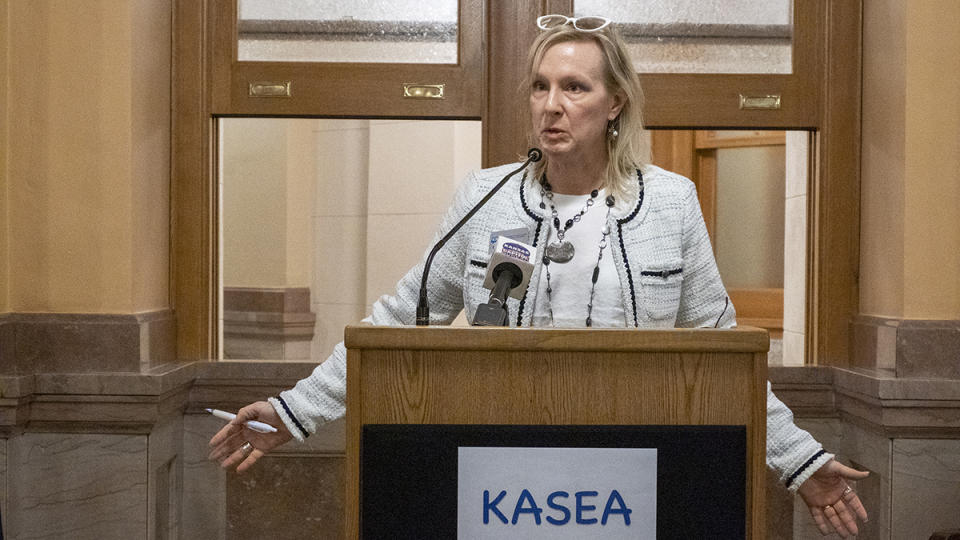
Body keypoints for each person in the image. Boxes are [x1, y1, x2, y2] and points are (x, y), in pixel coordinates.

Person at [210, 14, 868, 537]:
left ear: (615, 105)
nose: (552, 105)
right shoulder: (486, 197)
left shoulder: (670, 203)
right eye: (540, 86)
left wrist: (801, 462)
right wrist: (294, 411)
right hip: (503, 467)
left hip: (635, 462)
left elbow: (728, 355)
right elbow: (398, 319)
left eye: (575, 88)